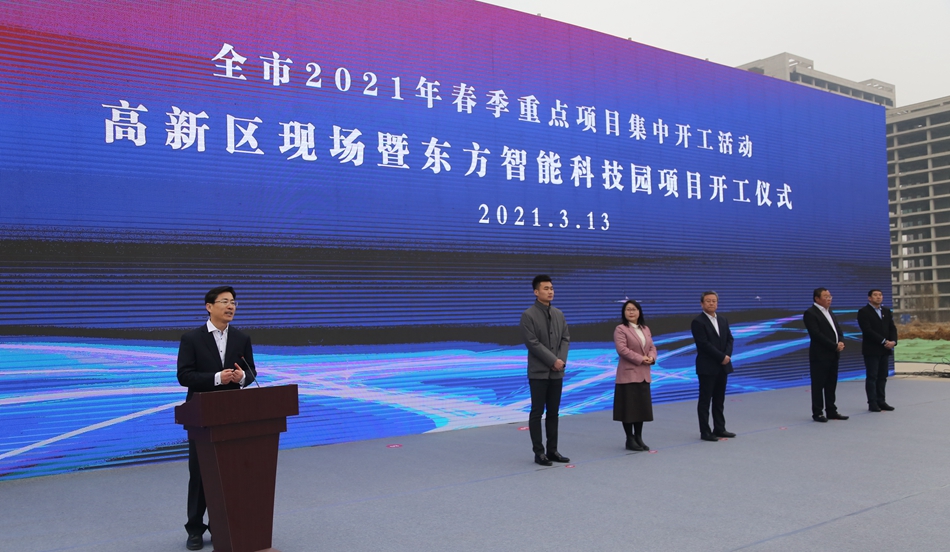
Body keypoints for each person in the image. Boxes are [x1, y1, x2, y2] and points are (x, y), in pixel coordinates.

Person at [177, 286, 256, 551]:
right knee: (200, 474)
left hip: (232, 414)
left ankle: (222, 525)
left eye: (233, 302)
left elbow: (251, 372)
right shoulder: (192, 339)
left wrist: (241, 378)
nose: (230, 306)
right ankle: (195, 529)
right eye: (224, 301)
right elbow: (184, 376)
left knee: (231, 473)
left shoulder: (241, 338)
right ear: (209, 307)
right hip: (202, 415)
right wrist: (216, 378)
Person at [520, 275, 571, 466]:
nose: (550, 292)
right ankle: (539, 452)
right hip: (538, 372)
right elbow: (532, 343)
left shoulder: (559, 314)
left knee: (553, 412)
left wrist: (560, 361)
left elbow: (565, 338)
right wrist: (552, 360)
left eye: (551, 288)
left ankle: (553, 450)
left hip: (557, 372)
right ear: (536, 292)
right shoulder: (528, 315)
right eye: (546, 288)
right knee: (537, 412)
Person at [690, 291, 736, 442]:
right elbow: (703, 344)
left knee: (719, 399)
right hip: (707, 366)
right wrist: (721, 357)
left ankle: (720, 428)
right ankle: (705, 431)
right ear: (702, 304)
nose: (711, 303)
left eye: (714, 301)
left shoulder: (723, 319)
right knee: (705, 400)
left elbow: (730, 339)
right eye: (708, 301)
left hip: (723, 366)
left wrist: (726, 356)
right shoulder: (698, 322)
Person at [613, 300, 657, 451]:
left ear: (639, 312)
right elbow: (622, 349)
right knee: (629, 409)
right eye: (628, 309)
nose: (631, 312)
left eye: (634, 309)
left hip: (644, 374)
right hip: (628, 375)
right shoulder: (621, 329)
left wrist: (651, 357)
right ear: (624, 313)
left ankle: (639, 437)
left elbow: (652, 347)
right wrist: (641, 359)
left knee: (641, 408)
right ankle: (629, 439)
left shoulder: (645, 328)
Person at [803, 287, 849, 422]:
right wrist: (834, 345)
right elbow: (816, 334)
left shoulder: (830, 312)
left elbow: (838, 330)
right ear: (817, 298)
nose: (829, 299)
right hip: (820, 355)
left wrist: (841, 341)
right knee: (818, 385)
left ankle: (831, 410)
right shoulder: (810, 313)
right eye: (826, 296)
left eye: (830, 296)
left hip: (833, 354)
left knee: (831, 384)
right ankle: (818, 413)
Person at [857, 289, 898, 412]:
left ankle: (881, 401)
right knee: (872, 377)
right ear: (869, 298)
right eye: (875, 295)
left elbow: (892, 328)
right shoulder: (864, 312)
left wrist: (893, 341)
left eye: (880, 295)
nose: (878, 297)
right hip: (872, 350)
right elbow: (867, 330)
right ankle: (872, 403)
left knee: (882, 376)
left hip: (885, 350)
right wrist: (884, 341)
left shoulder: (886, 311)